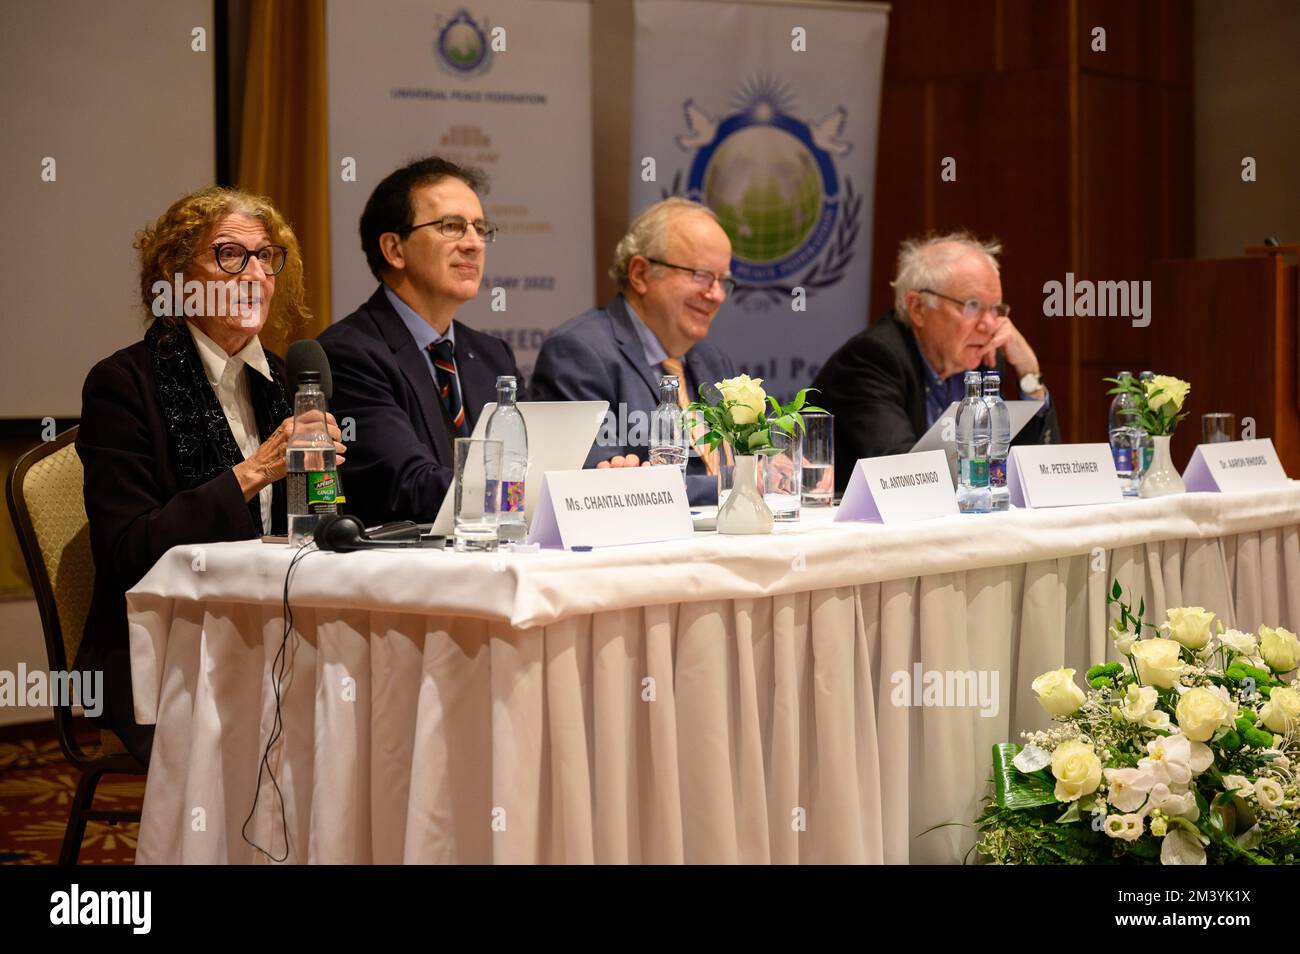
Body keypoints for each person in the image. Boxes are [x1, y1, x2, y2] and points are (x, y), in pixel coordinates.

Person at [77, 187, 346, 763]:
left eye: (266, 257)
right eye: (230, 256)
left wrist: (323, 494)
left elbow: (302, 531)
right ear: (177, 277)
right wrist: (252, 473)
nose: (255, 274)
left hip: (282, 623)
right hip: (167, 644)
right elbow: (129, 550)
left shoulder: (282, 377)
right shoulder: (124, 384)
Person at [319, 157, 522, 526]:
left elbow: (530, 459)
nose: (474, 244)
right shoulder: (348, 354)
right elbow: (405, 485)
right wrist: (521, 493)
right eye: (452, 227)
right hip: (400, 573)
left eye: (480, 228)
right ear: (394, 249)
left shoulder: (494, 357)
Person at [811, 232, 1059, 490]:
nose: (989, 324)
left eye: (995, 309)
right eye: (972, 306)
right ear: (918, 308)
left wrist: (1029, 375)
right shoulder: (872, 359)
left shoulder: (987, 360)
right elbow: (902, 477)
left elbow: (1039, 472)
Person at [530, 198, 736, 505]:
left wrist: (777, 470)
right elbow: (608, 485)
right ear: (640, 273)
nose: (717, 295)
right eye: (701, 275)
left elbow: (755, 460)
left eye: (723, 281)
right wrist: (737, 487)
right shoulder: (578, 353)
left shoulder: (711, 360)